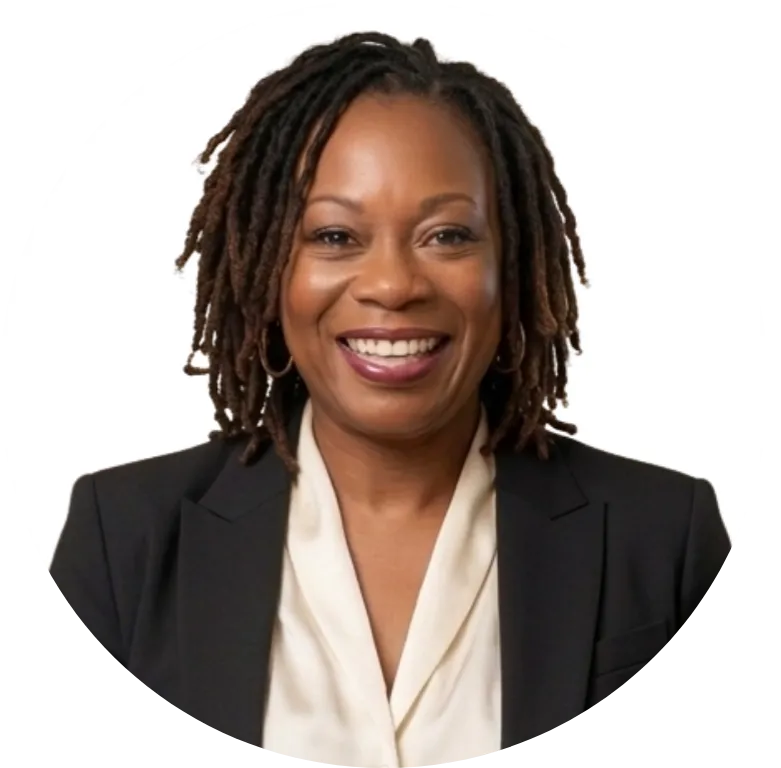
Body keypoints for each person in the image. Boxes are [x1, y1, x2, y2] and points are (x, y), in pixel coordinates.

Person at [47, 31, 731, 762]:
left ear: (512, 265)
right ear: (268, 269)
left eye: (447, 235)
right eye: (335, 235)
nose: (393, 285)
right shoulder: (126, 540)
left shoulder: (660, 538)